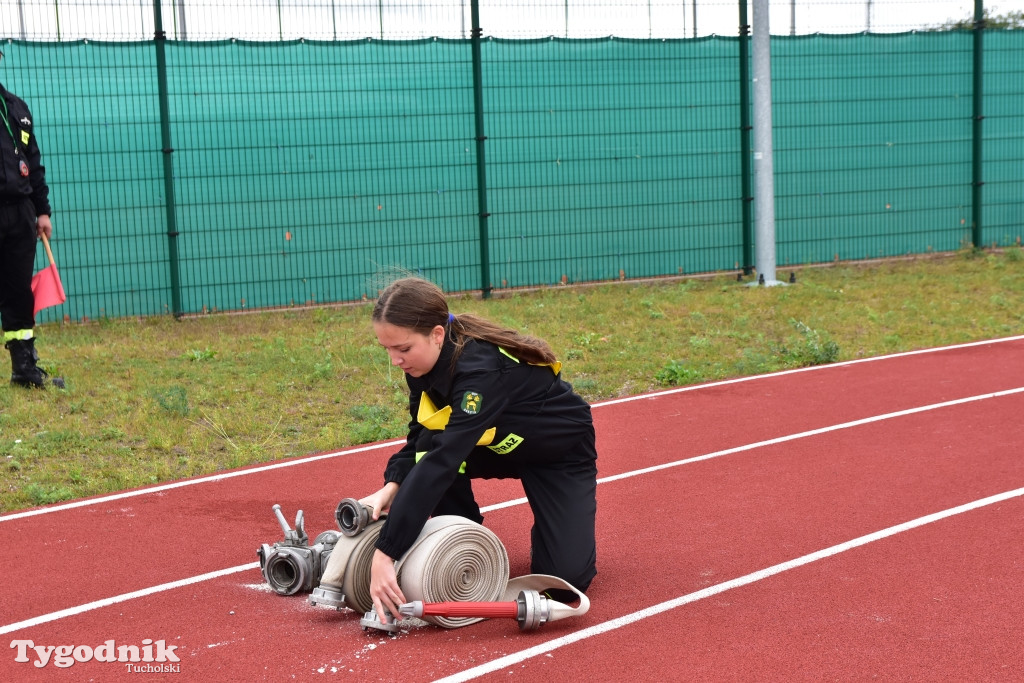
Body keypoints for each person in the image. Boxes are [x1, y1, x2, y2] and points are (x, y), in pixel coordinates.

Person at [360, 277, 598, 621]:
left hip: (556, 454)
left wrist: (386, 553)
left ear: (437, 334)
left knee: (563, 581)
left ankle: (549, 537)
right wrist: (390, 487)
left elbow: (443, 458)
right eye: (388, 349)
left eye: (403, 349)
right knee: (430, 454)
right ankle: (464, 541)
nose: (395, 360)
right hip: (498, 445)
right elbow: (420, 439)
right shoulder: (421, 366)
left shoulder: (480, 370)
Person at [0, 52, 63, 389]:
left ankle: (23, 367)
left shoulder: (17, 109)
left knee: (17, 290)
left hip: (21, 212)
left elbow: (33, 163)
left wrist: (42, 211)